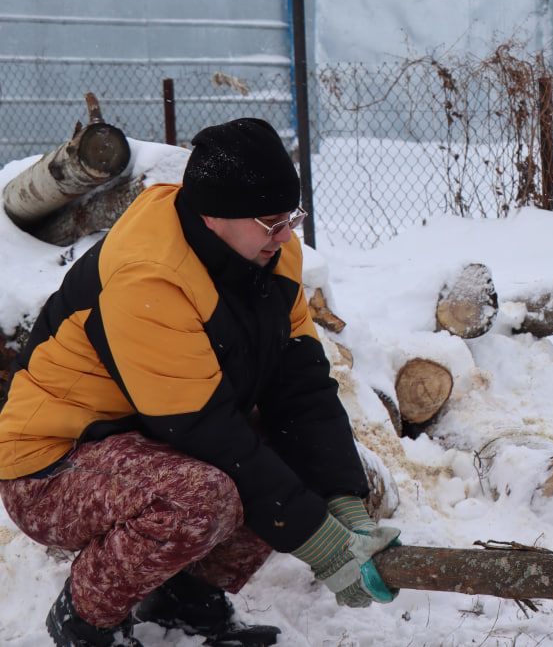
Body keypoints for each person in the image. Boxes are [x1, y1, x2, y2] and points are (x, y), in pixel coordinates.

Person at [0, 118, 399, 646]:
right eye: (270, 221)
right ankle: (85, 620)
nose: (286, 235)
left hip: (149, 437)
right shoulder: (150, 274)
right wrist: (321, 543)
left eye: (290, 218)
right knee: (199, 497)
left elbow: (300, 384)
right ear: (213, 216)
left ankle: (185, 602)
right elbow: (205, 429)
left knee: (275, 461)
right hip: (51, 464)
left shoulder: (271, 252)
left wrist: (343, 499)